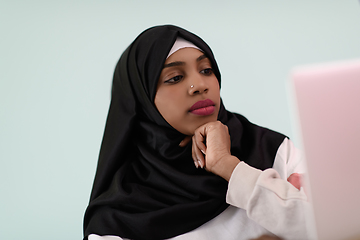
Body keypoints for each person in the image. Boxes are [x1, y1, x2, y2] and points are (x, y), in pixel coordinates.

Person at [83, 25, 310, 240]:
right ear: (142, 101)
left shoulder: (272, 150)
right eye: (175, 78)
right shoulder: (118, 219)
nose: (200, 85)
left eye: (206, 70)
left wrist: (228, 166)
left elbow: (333, 227)